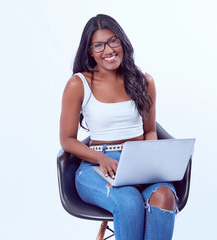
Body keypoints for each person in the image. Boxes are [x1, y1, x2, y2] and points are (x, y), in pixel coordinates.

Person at [60, 14, 177, 240]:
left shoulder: (144, 81)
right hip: (97, 166)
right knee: (129, 201)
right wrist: (102, 159)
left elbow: (150, 130)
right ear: (89, 51)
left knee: (164, 196)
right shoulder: (79, 83)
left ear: (122, 42)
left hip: (138, 163)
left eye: (113, 41)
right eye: (99, 45)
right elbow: (67, 140)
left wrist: (148, 158)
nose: (108, 50)